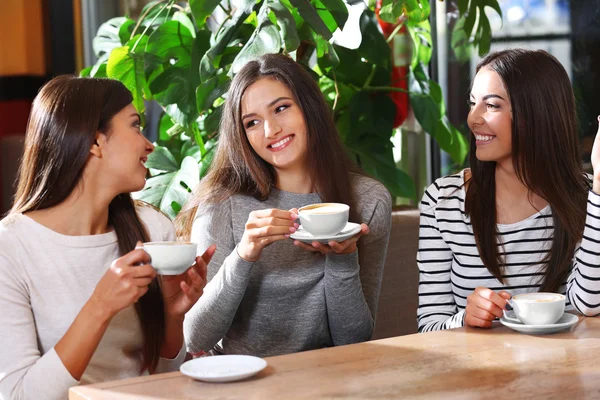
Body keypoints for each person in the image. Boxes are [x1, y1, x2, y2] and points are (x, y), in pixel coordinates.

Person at [0, 75, 215, 399]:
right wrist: (100, 306)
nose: (149, 145)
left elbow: (163, 376)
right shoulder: (11, 248)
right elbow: (18, 395)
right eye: (134, 126)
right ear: (94, 141)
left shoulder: (152, 229)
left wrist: (173, 313)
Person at [176, 53, 392, 357]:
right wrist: (244, 255)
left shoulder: (367, 200)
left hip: (327, 380)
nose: (270, 131)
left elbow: (355, 341)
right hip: (240, 382)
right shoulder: (222, 202)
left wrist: (343, 258)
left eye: (281, 108)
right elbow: (196, 338)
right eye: (252, 122)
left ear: (309, 107)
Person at [417, 48, 600, 333]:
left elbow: (588, 304)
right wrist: (465, 318)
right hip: (478, 373)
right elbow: (428, 328)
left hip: (566, 370)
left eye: (491, 105)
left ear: (535, 114)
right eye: (473, 103)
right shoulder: (444, 201)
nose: (472, 119)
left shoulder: (587, 197)